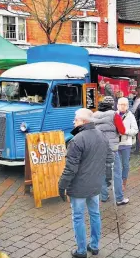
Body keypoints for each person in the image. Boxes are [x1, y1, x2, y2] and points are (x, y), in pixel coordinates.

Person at [58, 109, 114, 258]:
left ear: (83, 121)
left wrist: (62, 185)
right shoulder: (101, 135)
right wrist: (107, 178)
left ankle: (81, 250)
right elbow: (109, 158)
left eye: (75, 119)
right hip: (95, 183)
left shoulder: (77, 140)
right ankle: (94, 246)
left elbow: (70, 168)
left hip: (79, 186)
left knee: (78, 217)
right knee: (95, 214)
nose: (73, 122)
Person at [92, 96, 129, 205]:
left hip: (98, 148)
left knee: (101, 172)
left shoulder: (93, 115)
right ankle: (119, 198)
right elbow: (122, 130)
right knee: (117, 172)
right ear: (112, 105)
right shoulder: (114, 115)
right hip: (111, 149)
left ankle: (103, 196)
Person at [117, 97, 138, 191]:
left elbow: (135, 130)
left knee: (125, 164)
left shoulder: (131, 116)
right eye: (121, 104)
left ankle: (123, 182)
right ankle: (117, 182)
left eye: (124, 104)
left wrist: (124, 131)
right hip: (116, 144)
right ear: (117, 105)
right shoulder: (114, 115)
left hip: (126, 144)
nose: (122, 106)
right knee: (116, 165)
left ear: (127, 106)